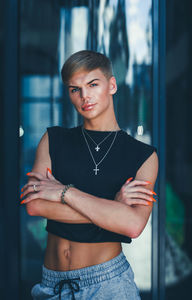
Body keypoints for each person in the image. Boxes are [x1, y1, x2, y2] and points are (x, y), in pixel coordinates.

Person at [20, 50, 158, 300]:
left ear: (112, 85)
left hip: (108, 285)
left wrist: (64, 193)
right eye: (75, 89)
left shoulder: (144, 155)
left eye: (93, 84)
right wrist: (113, 210)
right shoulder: (53, 139)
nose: (85, 96)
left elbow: (133, 224)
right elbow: (34, 204)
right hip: (50, 286)